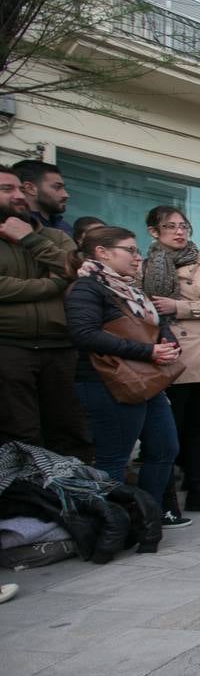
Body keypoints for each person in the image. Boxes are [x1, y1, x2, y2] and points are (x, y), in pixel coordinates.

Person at [64, 225, 184, 528]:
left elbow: (154, 325)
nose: (137, 257)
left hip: (146, 380)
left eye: (137, 250)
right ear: (102, 252)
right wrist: (148, 351)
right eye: (129, 250)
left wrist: (167, 342)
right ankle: (114, 524)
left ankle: (148, 515)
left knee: (165, 448)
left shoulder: (130, 288)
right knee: (114, 458)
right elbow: (84, 334)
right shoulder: (86, 287)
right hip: (106, 382)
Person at [143, 205, 200, 518]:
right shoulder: (146, 265)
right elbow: (149, 308)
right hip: (173, 353)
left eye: (184, 226)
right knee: (170, 429)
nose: (179, 232)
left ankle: (199, 489)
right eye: (170, 227)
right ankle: (165, 495)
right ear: (154, 232)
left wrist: (180, 306)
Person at [0, 165, 90, 459]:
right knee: (21, 434)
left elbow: (81, 272)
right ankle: (29, 500)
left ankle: (72, 499)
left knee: (69, 431)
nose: (18, 196)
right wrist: (52, 284)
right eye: (7, 190)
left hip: (61, 347)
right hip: (10, 347)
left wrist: (30, 239)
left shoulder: (53, 236)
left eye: (19, 189)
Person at [12, 160, 72, 235]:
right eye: (57, 187)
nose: (66, 195)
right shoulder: (13, 225)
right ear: (30, 188)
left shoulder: (65, 227)